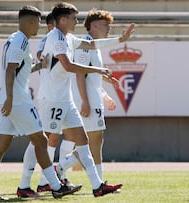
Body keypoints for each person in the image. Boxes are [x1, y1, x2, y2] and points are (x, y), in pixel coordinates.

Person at [22, 2, 134, 197]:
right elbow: (68, 66)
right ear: (63, 20)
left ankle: (97, 186)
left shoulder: (68, 37)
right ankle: (25, 185)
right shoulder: (56, 37)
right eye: (74, 18)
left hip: (65, 100)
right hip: (52, 99)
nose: (77, 22)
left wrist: (119, 39)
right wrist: (98, 70)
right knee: (41, 142)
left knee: (83, 140)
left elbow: (91, 44)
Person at [0, 5, 82, 201]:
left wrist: (39, 66)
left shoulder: (13, 39)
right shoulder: (21, 40)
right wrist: (10, 99)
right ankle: (55, 186)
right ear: (30, 22)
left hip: (11, 99)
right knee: (41, 140)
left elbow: (17, 70)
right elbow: (10, 70)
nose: (39, 27)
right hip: (17, 100)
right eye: (37, 22)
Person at [23, 12, 78, 194]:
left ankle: (52, 179)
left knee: (59, 137)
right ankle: (30, 183)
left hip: (62, 96)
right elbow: (41, 56)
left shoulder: (64, 39)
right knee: (41, 139)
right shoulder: (50, 38)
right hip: (50, 97)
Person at [72, 8, 119, 182]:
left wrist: (106, 93)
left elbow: (92, 76)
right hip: (88, 99)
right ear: (95, 25)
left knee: (95, 140)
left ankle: (63, 168)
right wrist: (85, 101)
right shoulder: (86, 43)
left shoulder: (95, 45)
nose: (109, 29)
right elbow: (79, 73)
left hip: (94, 98)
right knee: (94, 140)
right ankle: (96, 180)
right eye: (106, 25)